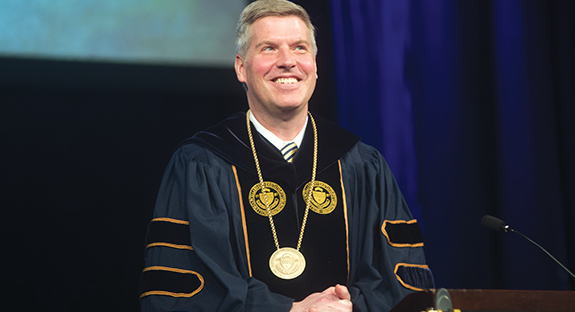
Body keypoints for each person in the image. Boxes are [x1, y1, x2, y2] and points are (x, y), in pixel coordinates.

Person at [139, 0, 434, 311]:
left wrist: (348, 306)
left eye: (299, 48)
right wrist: (290, 310)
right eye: (269, 48)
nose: (287, 62)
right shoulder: (202, 165)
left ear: (315, 66)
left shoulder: (362, 164)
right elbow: (187, 287)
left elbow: (403, 280)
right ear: (242, 68)